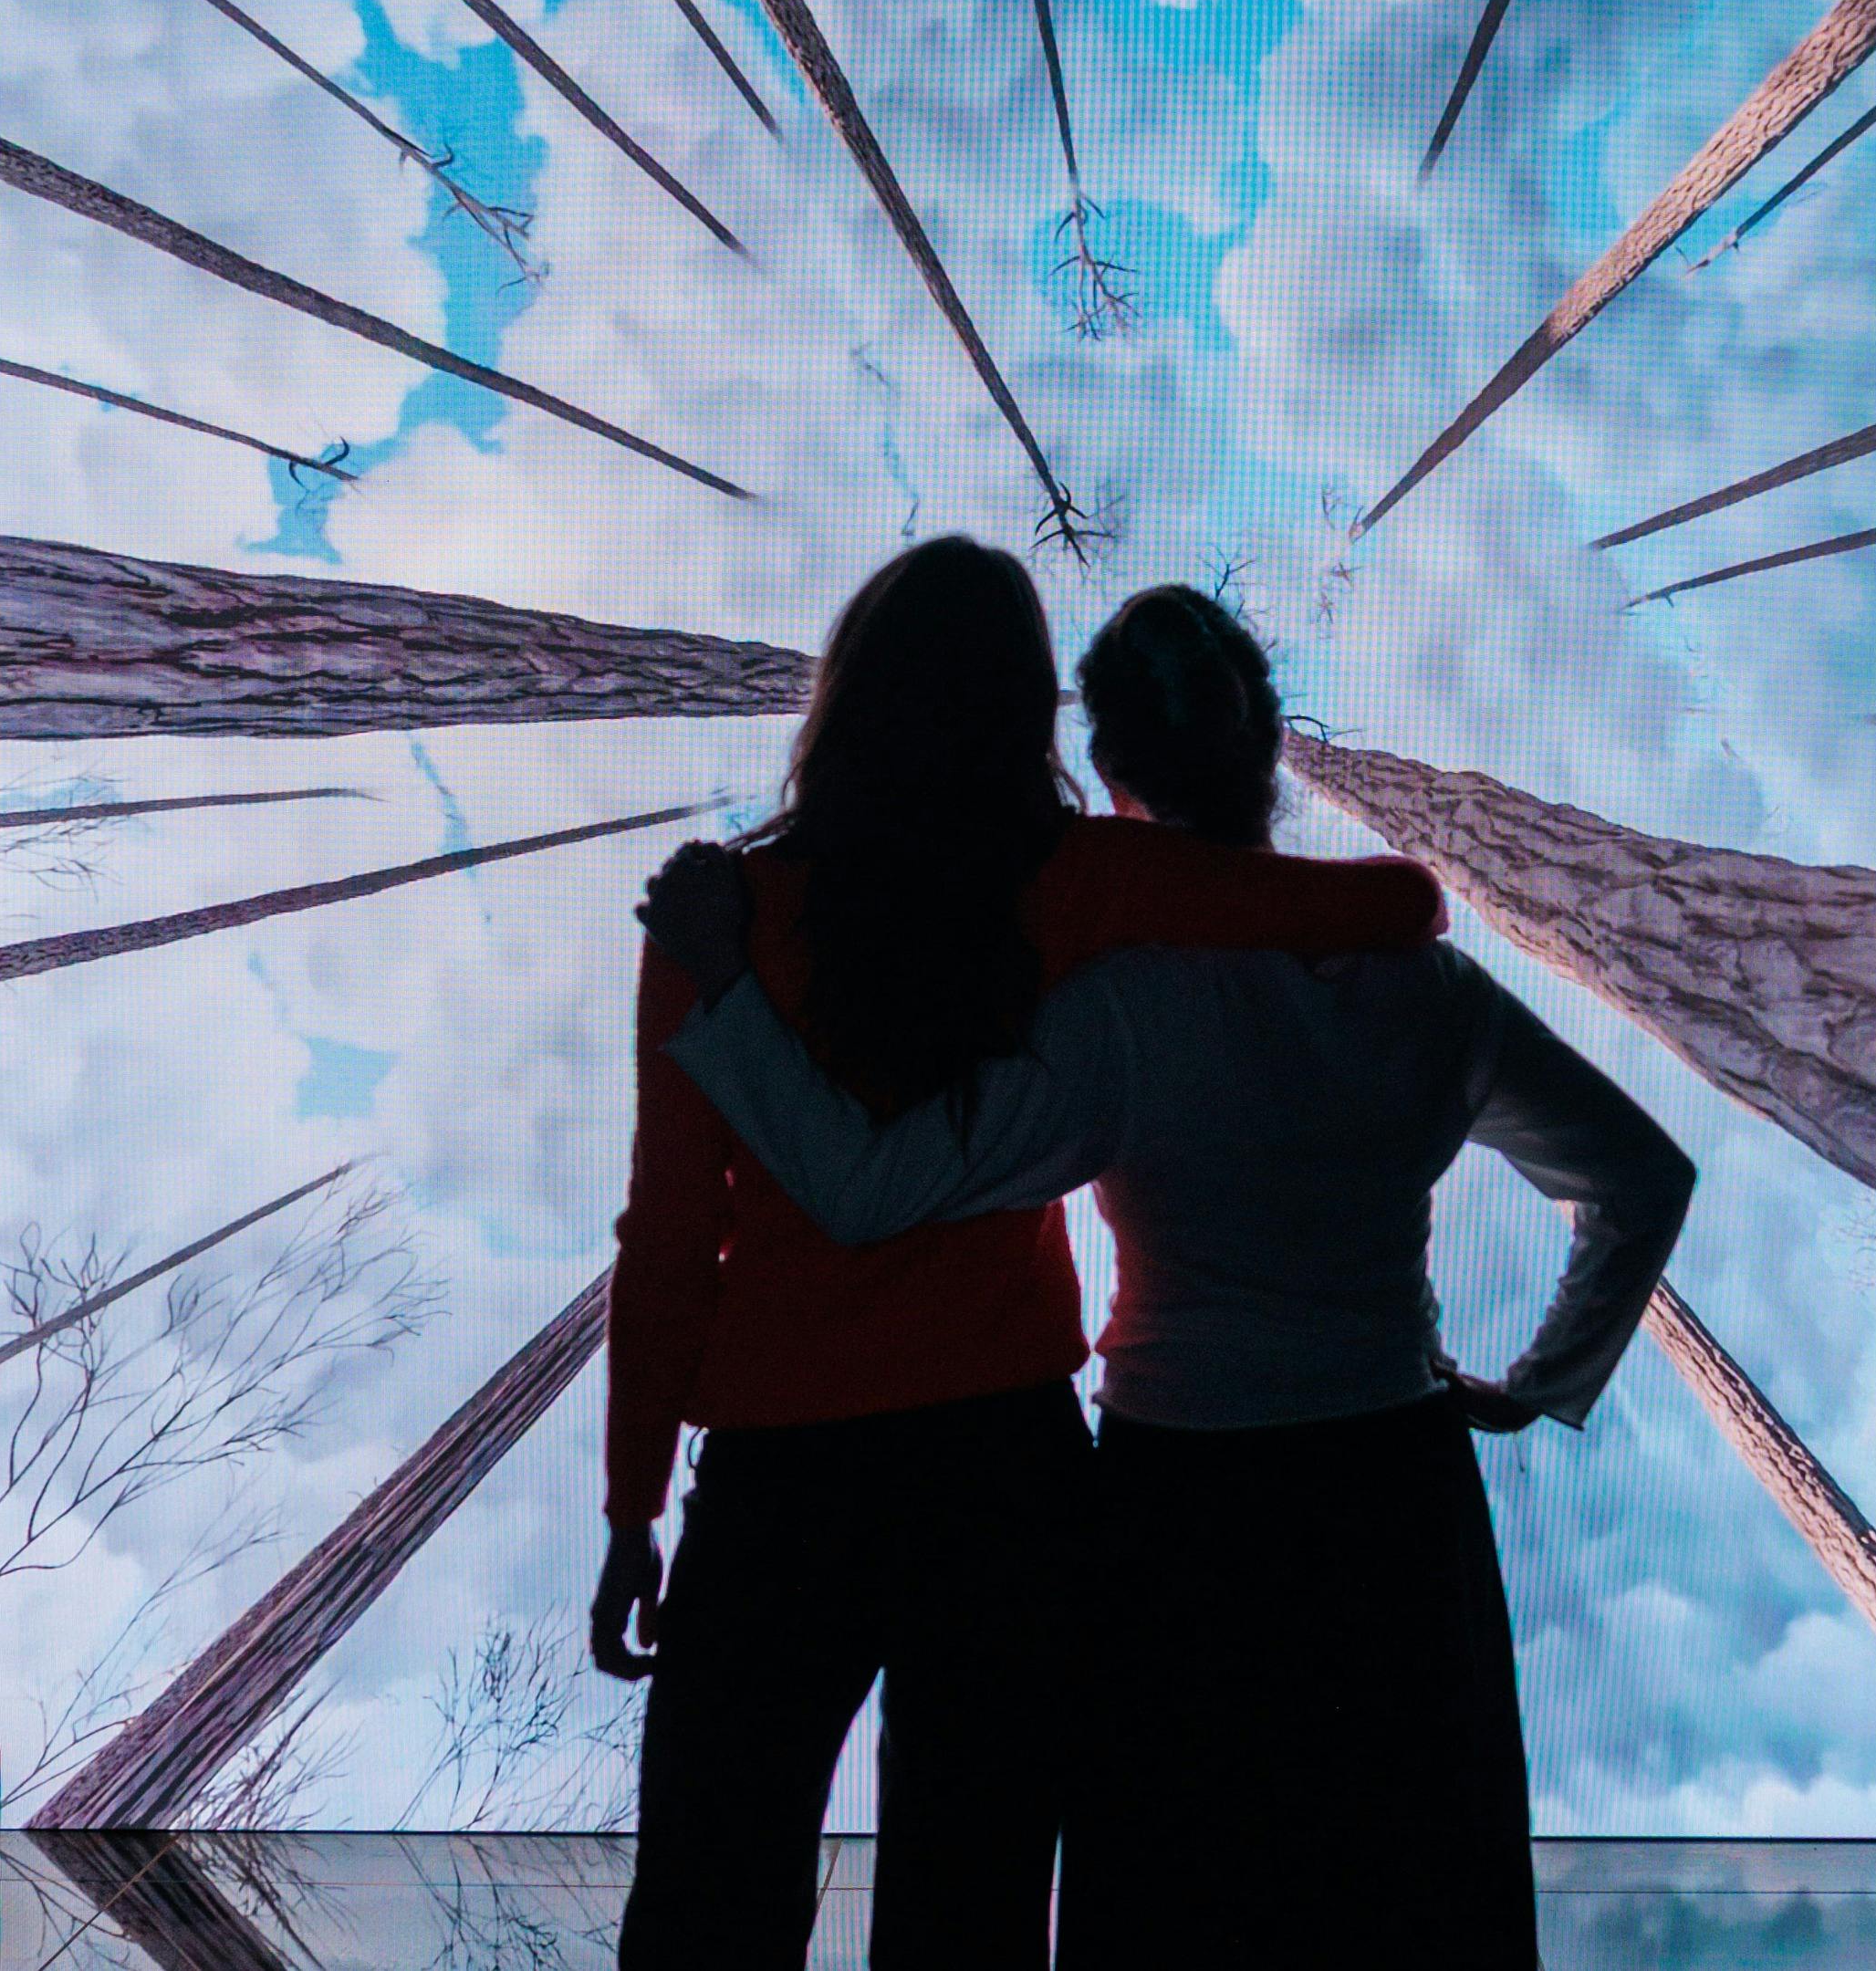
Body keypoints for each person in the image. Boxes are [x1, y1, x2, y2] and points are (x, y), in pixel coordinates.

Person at [638, 585, 1696, 1971]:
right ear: (1269, 746)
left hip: (1175, 1499)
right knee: (1429, 1896)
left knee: (1168, 1913)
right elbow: (1642, 1180)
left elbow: (864, 1189)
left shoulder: (1121, 1013)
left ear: (1119, 784)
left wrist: (725, 993)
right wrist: (1539, 1384)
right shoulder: (1428, 995)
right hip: (1394, 1491)